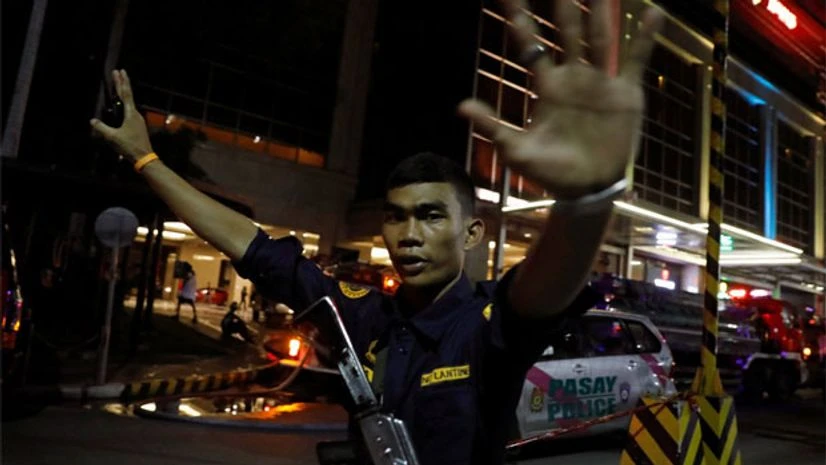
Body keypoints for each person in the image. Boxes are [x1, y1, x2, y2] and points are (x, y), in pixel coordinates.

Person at [89, 1, 663, 463]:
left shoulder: (487, 326)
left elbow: (546, 285)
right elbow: (253, 246)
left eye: (432, 215)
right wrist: (147, 161)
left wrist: (588, 198)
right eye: (396, 215)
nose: (407, 234)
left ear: (472, 234)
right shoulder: (361, 315)